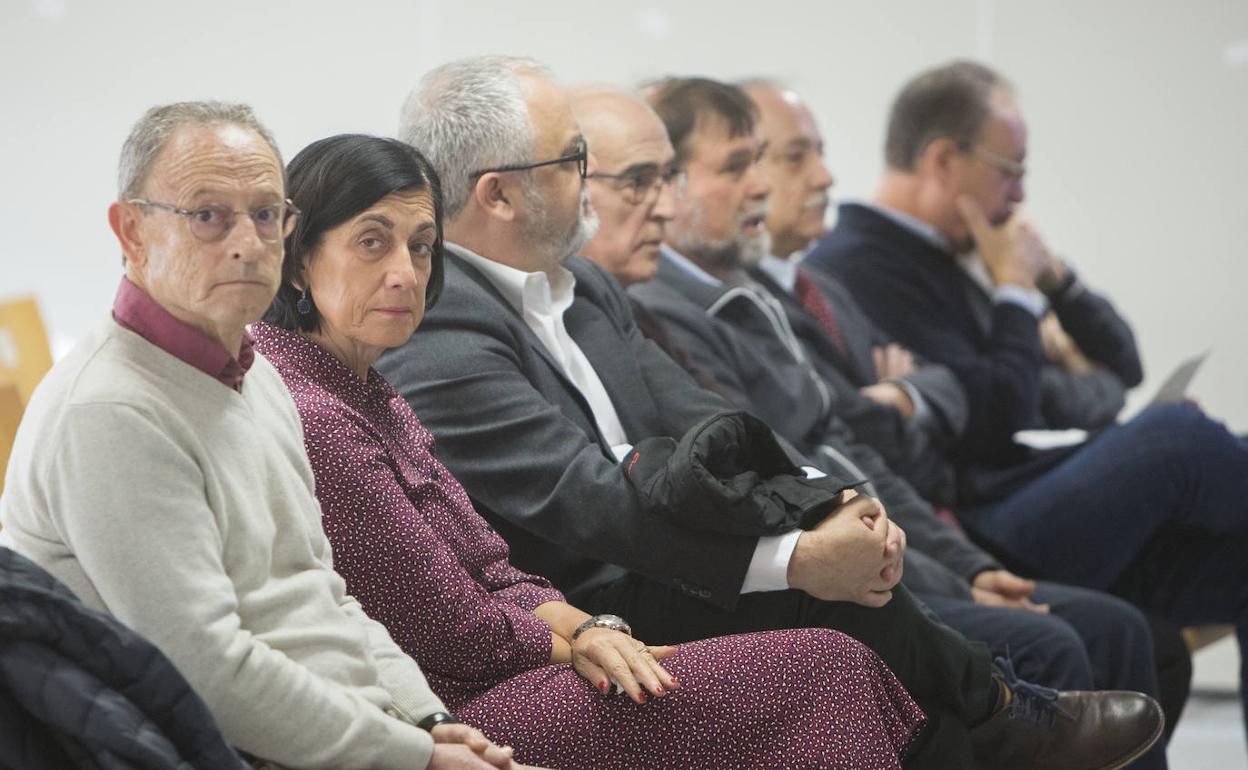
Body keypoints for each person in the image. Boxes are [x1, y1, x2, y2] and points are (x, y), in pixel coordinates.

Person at [380, 55, 1162, 770]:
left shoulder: (583, 289)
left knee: (856, 599)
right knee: (822, 598)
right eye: (576, 160)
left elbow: (711, 419)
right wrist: (794, 559)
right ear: (498, 194)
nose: (592, 182)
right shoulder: (440, 328)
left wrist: (832, 505)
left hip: (671, 559)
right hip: (581, 611)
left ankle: (1002, 723)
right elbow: (590, 501)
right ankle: (1001, 711)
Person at [252, 131, 926, 770]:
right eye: (373, 243)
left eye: (423, 246)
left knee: (829, 651)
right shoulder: (316, 412)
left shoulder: (366, 386)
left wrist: (596, 628)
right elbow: (449, 626)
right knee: (818, 669)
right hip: (443, 713)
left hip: (515, 658)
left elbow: (494, 568)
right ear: (299, 257)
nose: (405, 272)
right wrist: (582, 642)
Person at [0, 101, 532, 770]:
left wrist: (426, 718)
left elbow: (321, 589)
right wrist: (411, 754)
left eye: (264, 214)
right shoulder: (109, 410)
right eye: (207, 216)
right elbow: (207, 672)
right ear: (131, 231)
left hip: (354, 729)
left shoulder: (256, 376)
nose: (248, 243)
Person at [806, 59, 1248, 736]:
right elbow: (1003, 410)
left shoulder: (968, 253)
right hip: (973, 521)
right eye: (1008, 170)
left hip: (1018, 488)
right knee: (1174, 438)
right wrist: (1014, 295)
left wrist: (1055, 280)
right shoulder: (859, 264)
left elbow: (1114, 370)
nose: (1018, 195)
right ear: (944, 160)